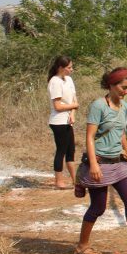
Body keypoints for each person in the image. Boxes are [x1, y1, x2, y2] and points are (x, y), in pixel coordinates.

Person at [74, 67, 127, 254]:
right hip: (100, 163)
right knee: (98, 207)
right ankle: (81, 245)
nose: (126, 91)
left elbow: (122, 134)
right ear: (111, 85)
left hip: (118, 163)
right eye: (123, 87)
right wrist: (93, 164)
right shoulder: (98, 106)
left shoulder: (125, 106)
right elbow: (90, 137)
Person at [47, 55, 79, 189]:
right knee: (61, 150)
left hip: (67, 121)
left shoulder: (69, 80)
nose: (71, 70)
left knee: (71, 150)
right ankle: (58, 181)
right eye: (69, 67)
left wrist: (72, 113)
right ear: (61, 68)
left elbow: (74, 100)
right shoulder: (55, 81)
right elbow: (58, 106)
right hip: (58, 121)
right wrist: (73, 107)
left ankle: (75, 180)